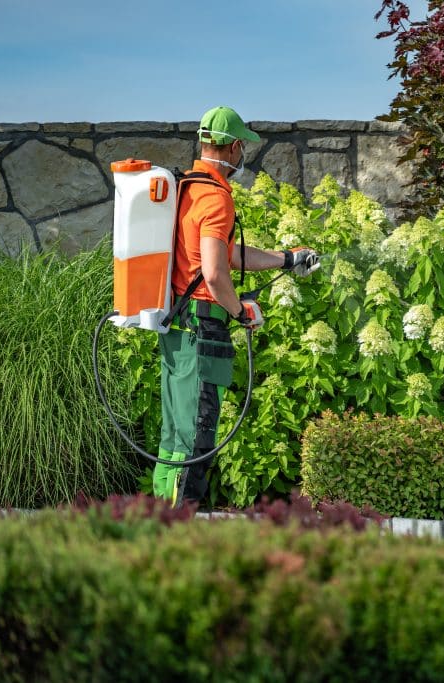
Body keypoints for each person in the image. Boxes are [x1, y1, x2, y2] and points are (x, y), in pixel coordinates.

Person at [152, 105, 317, 506]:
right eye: (242, 145)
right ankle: (176, 537)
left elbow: (225, 255)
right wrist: (238, 311)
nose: (243, 153)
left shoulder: (187, 189)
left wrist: (286, 258)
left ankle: (159, 525)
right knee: (196, 439)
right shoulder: (216, 199)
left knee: (175, 436)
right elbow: (213, 273)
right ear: (233, 147)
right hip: (201, 333)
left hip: (178, 329)